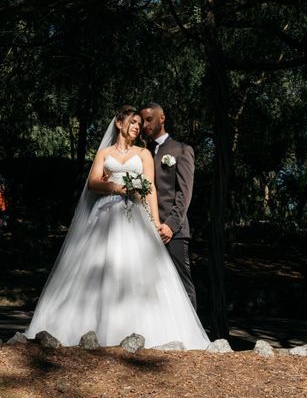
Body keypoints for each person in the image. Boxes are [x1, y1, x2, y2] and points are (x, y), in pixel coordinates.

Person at [24, 106, 209, 349]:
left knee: (134, 269)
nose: (137, 126)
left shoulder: (143, 154)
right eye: (132, 122)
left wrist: (155, 223)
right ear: (119, 123)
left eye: (138, 123)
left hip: (134, 216)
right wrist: (117, 188)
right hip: (105, 215)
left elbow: (150, 188)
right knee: (97, 267)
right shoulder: (104, 153)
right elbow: (92, 183)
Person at [140, 102, 197, 310]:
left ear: (161, 118)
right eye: (142, 120)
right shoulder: (142, 152)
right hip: (145, 229)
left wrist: (171, 226)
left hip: (173, 230)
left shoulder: (181, 150)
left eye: (149, 119)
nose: (145, 124)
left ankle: (193, 339)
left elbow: (185, 193)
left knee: (182, 284)